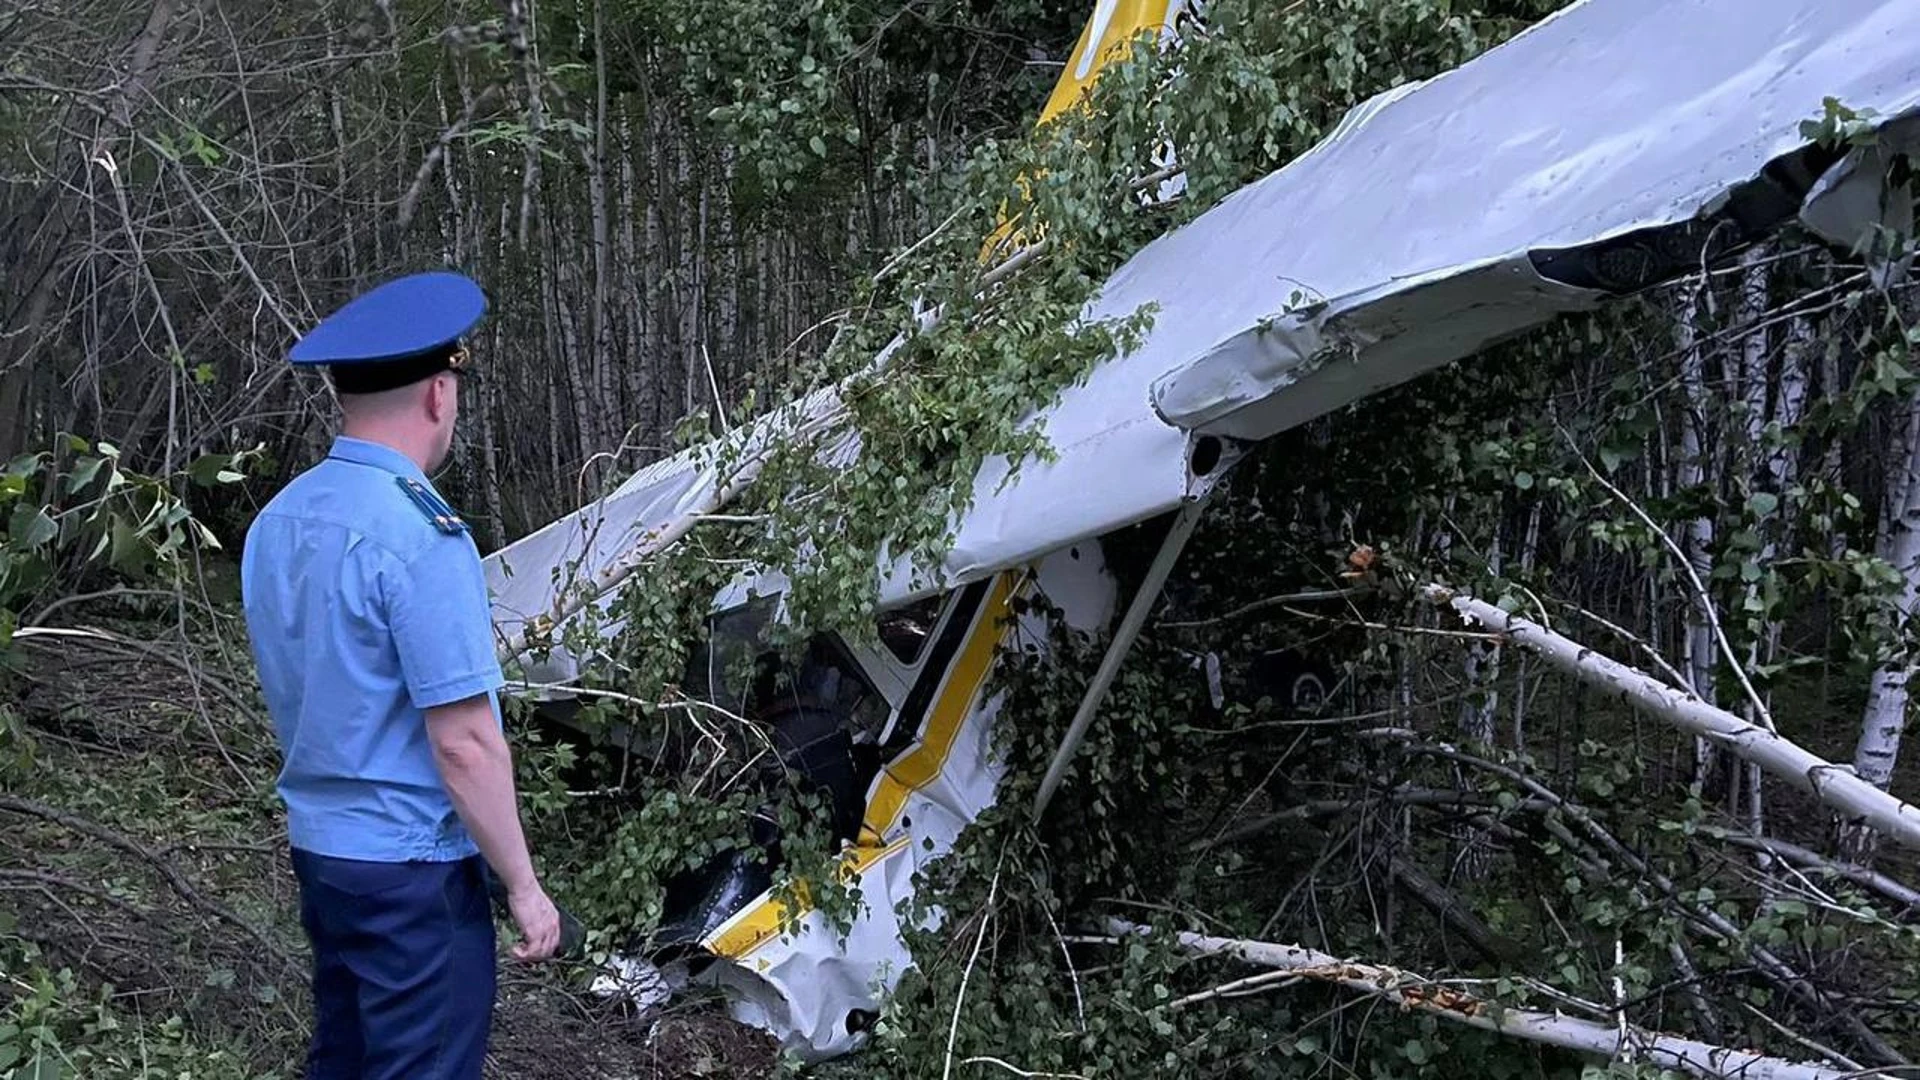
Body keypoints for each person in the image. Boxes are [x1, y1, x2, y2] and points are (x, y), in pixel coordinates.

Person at [239, 270, 560, 1080]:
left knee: (343, 1059)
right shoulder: (422, 538)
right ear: (439, 395)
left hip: (322, 853)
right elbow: (465, 745)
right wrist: (523, 884)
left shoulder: (279, 522)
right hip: (413, 873)